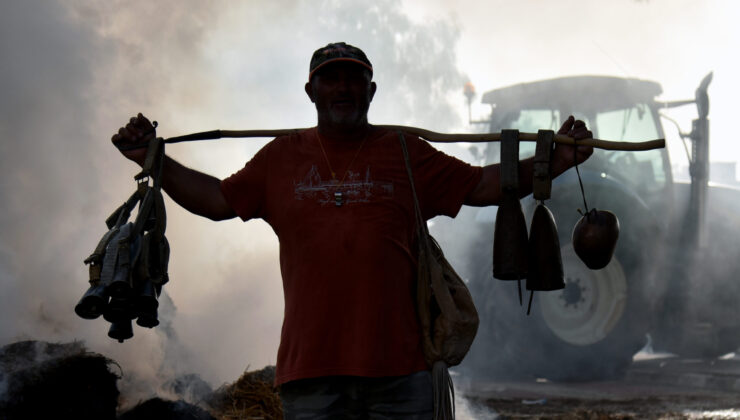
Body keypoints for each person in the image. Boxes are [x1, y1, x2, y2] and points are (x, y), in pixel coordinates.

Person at [112, 42, 593, 419]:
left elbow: (484, 185)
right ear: (311, 92)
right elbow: (217, 201)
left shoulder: (406, 152)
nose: (342, 88)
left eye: (353, 79)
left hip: (403, 375)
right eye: (330, 79)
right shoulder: (281, 157)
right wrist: (156, 160)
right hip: (311, 376)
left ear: (371, 91)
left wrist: (553, 162)